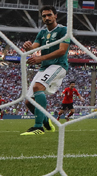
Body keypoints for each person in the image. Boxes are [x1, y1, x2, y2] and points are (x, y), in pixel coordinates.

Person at [21, 5, 70, 135]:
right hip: (44, 67)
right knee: (28, 101)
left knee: (38, 87)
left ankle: (38, 127)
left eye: (49, 15)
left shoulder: (64, 30)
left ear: (55, 16)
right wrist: (27, 47)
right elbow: (33, 49)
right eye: (44, 16)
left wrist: (40, 58)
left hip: (58, 66)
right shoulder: (42, 33)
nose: (46, 18)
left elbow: (62, 50)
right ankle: (46, 120)